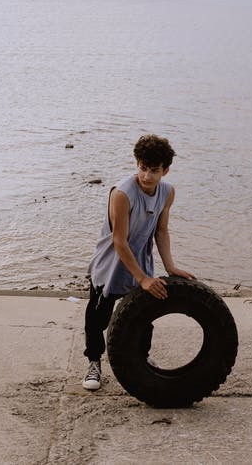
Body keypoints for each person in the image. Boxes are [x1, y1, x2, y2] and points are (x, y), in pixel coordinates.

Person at [82, 134, 195, 391]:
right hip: (111, 262)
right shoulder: (122, 193)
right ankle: (93, 362)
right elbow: (120, 241)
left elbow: (161, 231)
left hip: (140, 260)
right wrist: (143, 278)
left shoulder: (167, 192)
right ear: (137, 164)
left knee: (143, 313)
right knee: (98, 317)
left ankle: (142, 359)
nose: (146, 176)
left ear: (165, 170)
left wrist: (170, 267)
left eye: (154, 171)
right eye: (143, 168)